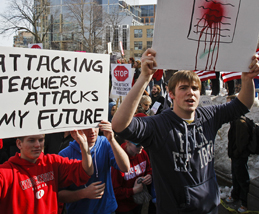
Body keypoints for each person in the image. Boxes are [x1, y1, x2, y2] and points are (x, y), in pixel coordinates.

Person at [111, 48, 259, 213]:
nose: (191, 92)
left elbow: (242, 105)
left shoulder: (210, 115)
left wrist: (247, 79)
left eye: (195, 88)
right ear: (171, 93)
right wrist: (145, 77)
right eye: (183, 88)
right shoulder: (158, 125)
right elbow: (119, 125)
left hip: (210, 207)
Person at [0, 123, 94, 214]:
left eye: (41, 140)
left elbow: (86, 172)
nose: (37, 145)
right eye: (31, 140)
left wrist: (84, 146)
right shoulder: (5, 172)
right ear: (19, 143)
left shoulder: (52, 162)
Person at [58, 121, 130, 214]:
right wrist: (83, 193)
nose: (92, 131)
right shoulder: (64, 155)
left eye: (95, 125)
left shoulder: (105, 143)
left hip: (107, 209)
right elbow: (60, 195)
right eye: (87, 127)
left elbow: (125, 167)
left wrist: (112, 139)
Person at [111, 140, 152, 214]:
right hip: (123, 207)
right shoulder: (118, 161)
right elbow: (114, 191)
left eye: (143, 143)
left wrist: (149, 176)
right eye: (138, 144)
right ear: (128, 142)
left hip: (138, 201)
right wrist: (133, 191)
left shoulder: (142, 153)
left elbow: (148, 169)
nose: (142, 147)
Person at [225, 95, 250, 213]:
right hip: (235, 155)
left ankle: (245, 203)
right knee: (235, 176)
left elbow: (242, 141)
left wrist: (236, 153)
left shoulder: (240, 122)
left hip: (240, 155)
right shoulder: (234, 119)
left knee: (242, 178)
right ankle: (235, 195)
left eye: (229, 104)